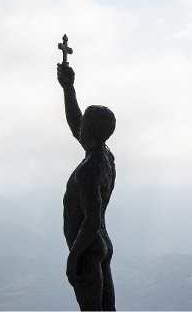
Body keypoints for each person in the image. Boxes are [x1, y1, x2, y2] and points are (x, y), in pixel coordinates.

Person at [57, 62, 116, 311]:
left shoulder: (87, 171)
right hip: (102, 244)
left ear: (90, 132)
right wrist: (68, 89)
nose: (78, 128)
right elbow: (76, 124)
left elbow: (90, 221)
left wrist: (73, 257)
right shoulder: (104, 155)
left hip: (88, 248)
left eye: (83, 127)